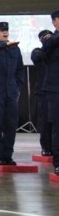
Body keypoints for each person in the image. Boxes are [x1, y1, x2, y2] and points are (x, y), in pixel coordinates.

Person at [0, 21, 25, 165]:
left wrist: (17, 86)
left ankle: (8, 155)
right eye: (1, 30)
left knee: (11, 125)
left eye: (6, 30)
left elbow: (20, 70)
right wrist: (5, 44)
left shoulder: (15, 49)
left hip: (11, 92)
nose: (5, 32)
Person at [39, 11, 59, 175]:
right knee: (58, 127)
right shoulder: (50, 39)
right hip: (55, 89)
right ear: (54, 22)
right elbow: (45, 49)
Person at [31, 30, 52, 157]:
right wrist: (48, 45)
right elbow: (36, 57)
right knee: (44, 121)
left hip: (55, 90)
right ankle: (46, 147)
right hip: (43, 91)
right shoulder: (37, 51)